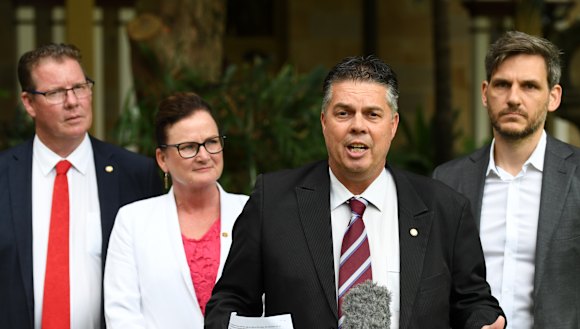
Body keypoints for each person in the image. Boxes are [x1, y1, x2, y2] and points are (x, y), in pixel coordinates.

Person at [205, 55, 505, 329]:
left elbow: (473, 302)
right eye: (343, 113)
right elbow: (228, 303)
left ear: (393, 125)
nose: (357, 126)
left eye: (372, 115)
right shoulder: (272, 203)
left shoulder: (444, 208)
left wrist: (482, 322)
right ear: (324, 122)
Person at [0, 43, 163, 329]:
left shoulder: (136, 174)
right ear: (28, 103)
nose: (73, 101)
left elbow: (156, 274)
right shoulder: (4, 175)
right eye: (56, 93)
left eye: (80, 87)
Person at [433, 30, 580, 329]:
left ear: (553, 97)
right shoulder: (448, 180)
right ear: (485, 93)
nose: (514, 98)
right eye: (503, 85)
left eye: (529, 86)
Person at [104, 92, 248, 328]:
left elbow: (269, 301)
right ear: (162, 159)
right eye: (189, 147)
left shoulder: (252, 212)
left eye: (212, 142)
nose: (204, 156)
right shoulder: (132, 221)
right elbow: (122, 315)